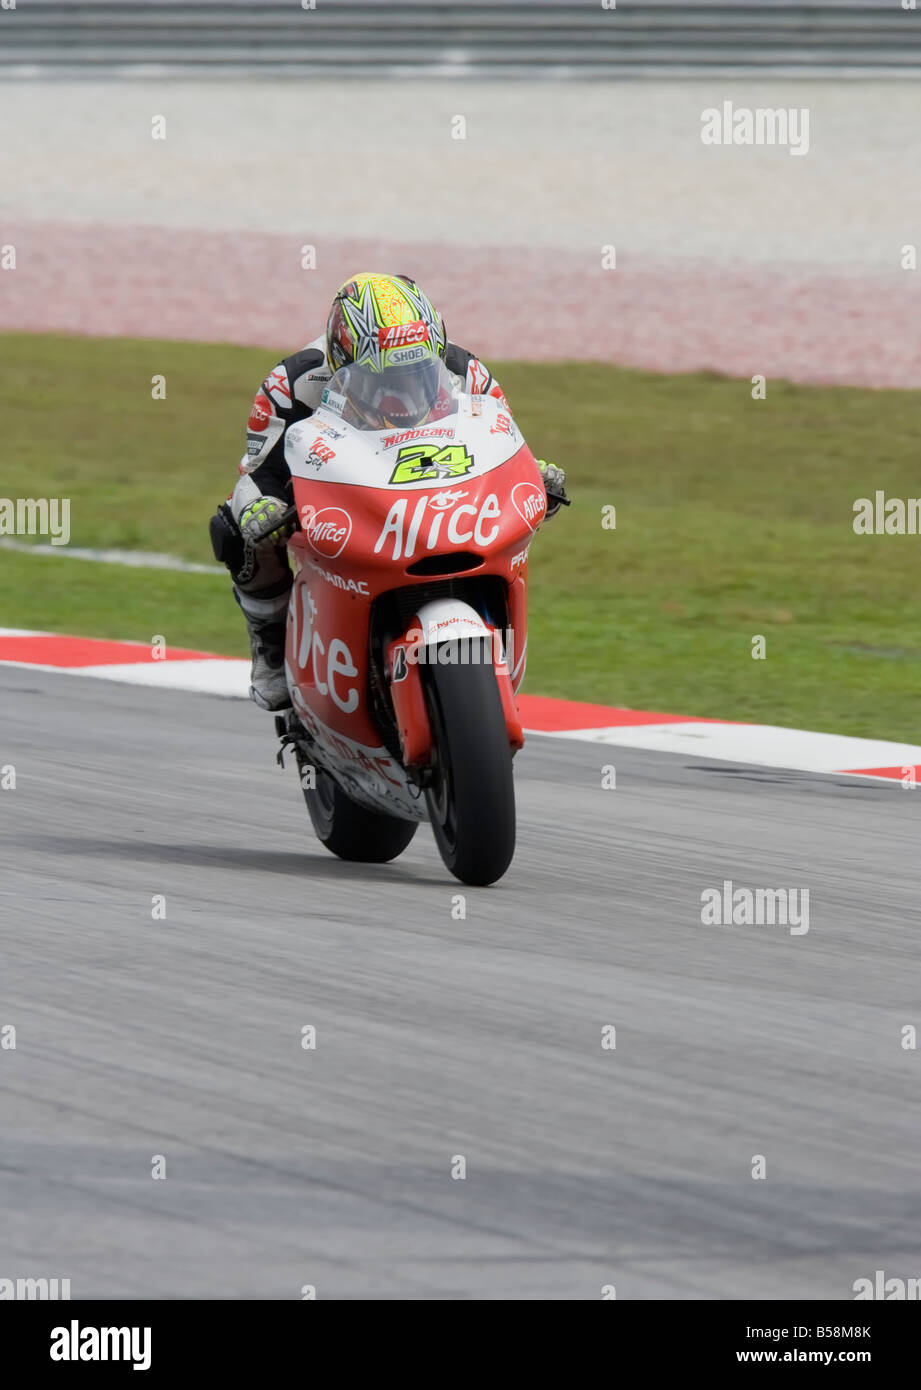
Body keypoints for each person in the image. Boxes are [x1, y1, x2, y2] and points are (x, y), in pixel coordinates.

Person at [209, 272, 568, 710]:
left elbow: (501, 441)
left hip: (437, 488)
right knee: (235, 527)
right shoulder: (293, 383)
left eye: (417, 373)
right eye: (384, 379)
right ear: (342, 361)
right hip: (345, 487)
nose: (404, 391)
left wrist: (534, 471)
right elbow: (259, 473)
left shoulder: (464, 370)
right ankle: (269, 641)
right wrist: (263, 508)